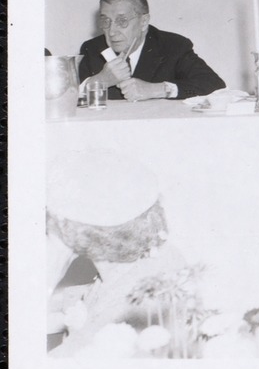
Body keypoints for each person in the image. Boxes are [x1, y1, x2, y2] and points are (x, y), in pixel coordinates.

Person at [47, 149, 191, 357]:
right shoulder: (162, 256)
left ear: (70, 228)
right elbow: (95, 298)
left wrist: (52, 272)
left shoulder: (130, 306)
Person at [78, 0, 224, 101]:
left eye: (122, 21)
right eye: (105, 21)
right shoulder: (92, 48)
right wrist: (100, 81)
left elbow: (214, 86)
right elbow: (66, 98)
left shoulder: (173, 46)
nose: (111, 32)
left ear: (143, 22)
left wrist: (159, 90)